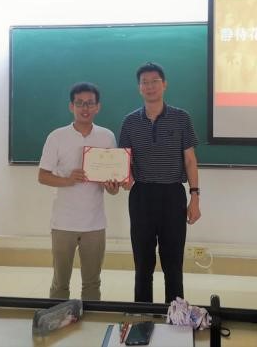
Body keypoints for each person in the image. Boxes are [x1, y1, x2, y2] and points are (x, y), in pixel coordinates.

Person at [118, 62, 201, 303]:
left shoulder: (181, 118)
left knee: (173, 262)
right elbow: (124, 163)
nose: (150, 86)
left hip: (173, 195)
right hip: (141, 196)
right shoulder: (130, 122)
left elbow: (190, 160)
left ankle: (175, 314)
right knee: (142, 262)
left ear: (164, 84)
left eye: (155, 81)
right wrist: (122, 180)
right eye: (145, 82)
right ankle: (142, 313)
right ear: (139, 88)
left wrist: (195, 197)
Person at [38, 82, 120, 301]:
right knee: (60, 283)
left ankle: (91, 321)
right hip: (63, 223)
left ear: (98, 107)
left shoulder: (107, 137)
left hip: (95, 224)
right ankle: (58, 318)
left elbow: (112, 188)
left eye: (90, 103)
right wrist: (67, 180)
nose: (85, 108)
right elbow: (42, 176)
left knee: (92, 283)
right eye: (80, 103)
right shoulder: (56, 136)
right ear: (71, 106)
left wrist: (112, 187)